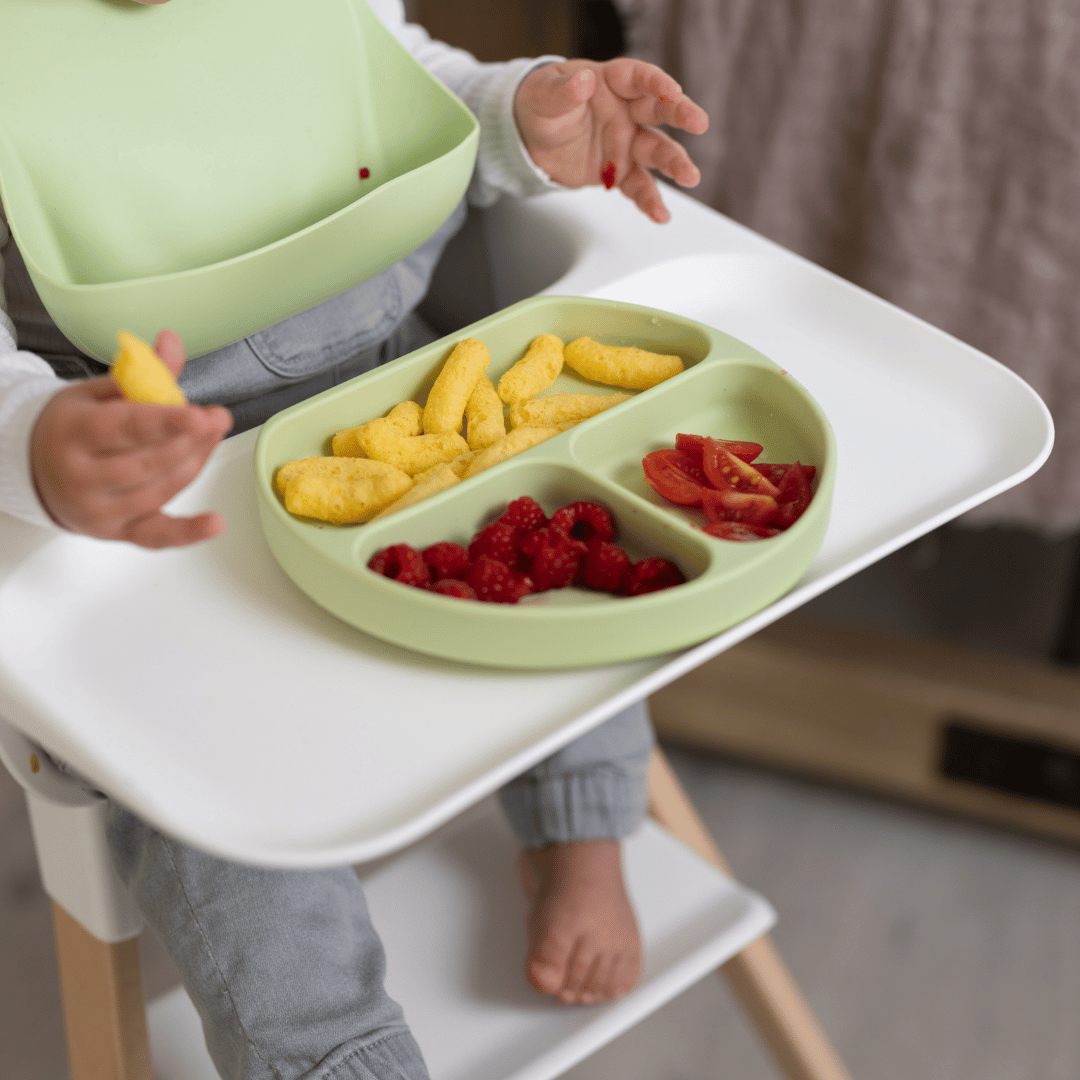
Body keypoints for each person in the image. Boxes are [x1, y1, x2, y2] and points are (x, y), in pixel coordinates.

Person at [0, 3, 709, 1078]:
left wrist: (521, 120)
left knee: (564, 552)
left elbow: (394, 82)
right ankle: (335, 1052)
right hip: (160, 488)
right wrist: (35, 442)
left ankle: (581, 822)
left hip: (395, 383)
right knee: (209, 788)